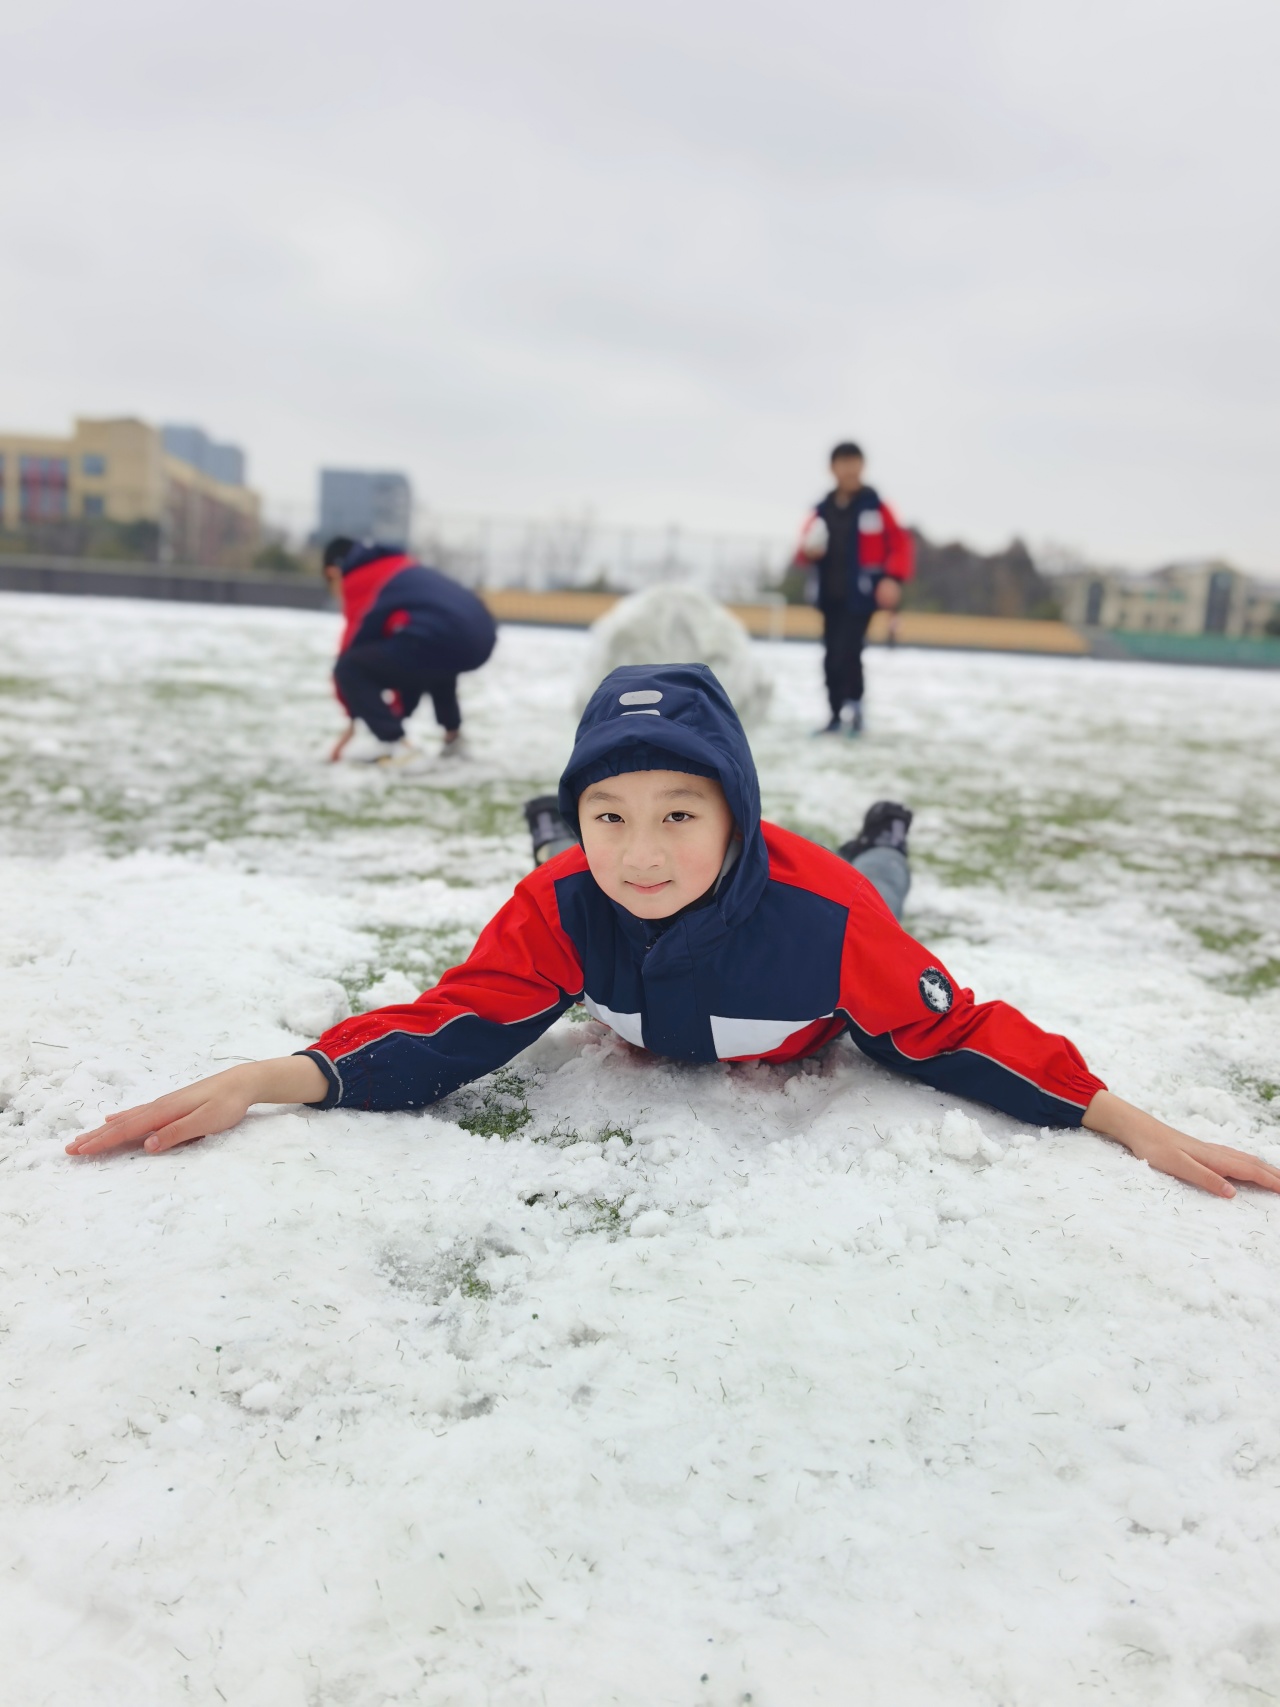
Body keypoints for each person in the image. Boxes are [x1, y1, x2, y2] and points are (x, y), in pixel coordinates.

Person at [67, 664, 1280, 1203]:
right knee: (564, 886)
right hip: (595, 908)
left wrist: (1126, 1121)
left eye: (679, 814)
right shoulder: (569, 898)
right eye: (610, 811)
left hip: (834, 889)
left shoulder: (825, 924)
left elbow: (948, 1031)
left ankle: (884, 829)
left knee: (878, 884)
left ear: (735, 813)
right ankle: (556, 827)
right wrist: (269, 1078)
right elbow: (455, 1021)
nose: (641, 849)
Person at [322, 537, 497, 763]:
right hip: (483, 633)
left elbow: (351, 649)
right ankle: (453, 739)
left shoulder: (360, 578)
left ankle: (396, 746)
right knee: (435, 657)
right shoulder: (401, 563)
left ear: (333, 572)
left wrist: (352, 718)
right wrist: (397, 711)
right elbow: (410, 665)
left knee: (348, 668)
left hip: (443, 636)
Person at [796, 441, 914, 736]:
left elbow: (900, 545)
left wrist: (892, 578)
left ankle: (855, 711)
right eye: (843, 462)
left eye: (854, 462)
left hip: (860, 597)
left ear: (862, 466)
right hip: (829, 597)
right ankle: (835, 715)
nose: (849, 469)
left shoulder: (876, 507)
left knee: (849, 652)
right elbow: (803, 550)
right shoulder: (822, 510)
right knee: (831, 657)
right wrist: (808, 551)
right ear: (832, 468)